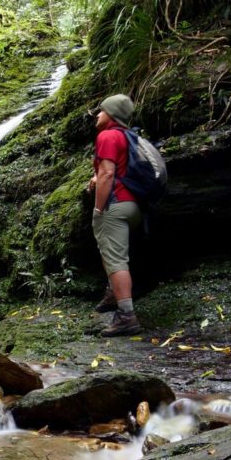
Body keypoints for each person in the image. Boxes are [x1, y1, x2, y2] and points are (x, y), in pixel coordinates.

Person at [88, 94, 142, 336]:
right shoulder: (129, 137)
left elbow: (108, 174)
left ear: (111, 114)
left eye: (101, 110)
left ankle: (127, 316)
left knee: (116, 259)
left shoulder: (108, 135)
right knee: (111, 252)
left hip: (116, 205)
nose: (97, 115)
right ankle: (112, 294)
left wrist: (99, 209)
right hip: (134, 205)